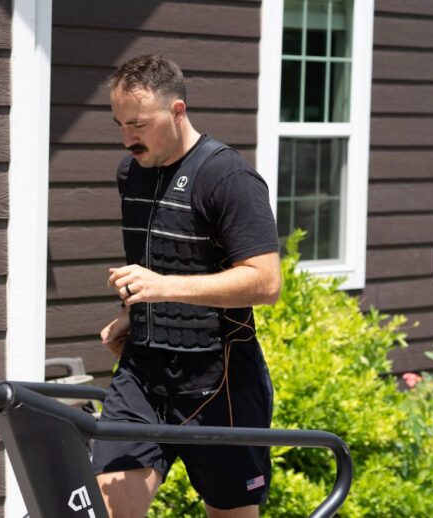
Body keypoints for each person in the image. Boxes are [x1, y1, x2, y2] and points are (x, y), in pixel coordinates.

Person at [92, 54, 281, 518]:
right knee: (103, 509)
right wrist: (133, 314)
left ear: (177, 111)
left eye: (138, 124)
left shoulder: (227, 177)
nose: (127, 138)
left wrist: (164, 289)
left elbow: (266, 281)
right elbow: (156, 261)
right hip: (143, 373)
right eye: (120, 124)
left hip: (219, 381)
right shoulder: (131, 174)